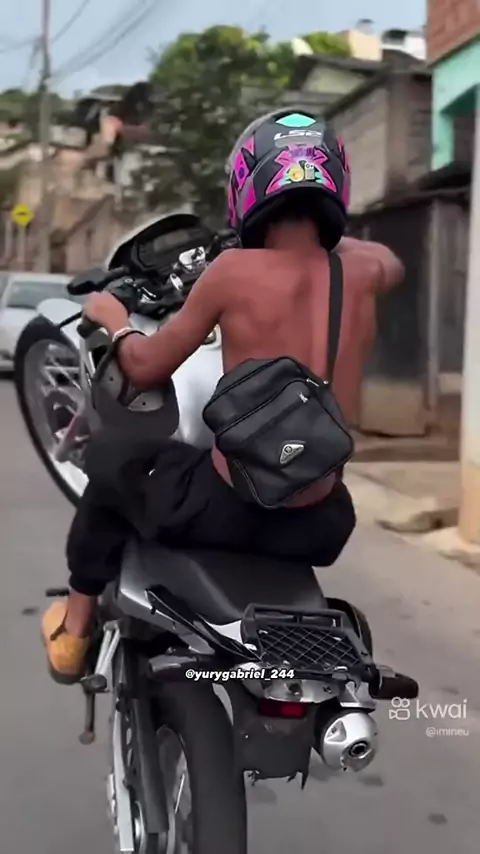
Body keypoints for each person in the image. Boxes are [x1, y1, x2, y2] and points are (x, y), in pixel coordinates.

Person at [41, 110, 404, 683]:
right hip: (323, 521)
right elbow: (389, 261)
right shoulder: (365, 272)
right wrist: (333, 237)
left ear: (246, 186)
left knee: (110, 460)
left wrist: (115, 319)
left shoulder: (232, 271)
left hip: (229, 509)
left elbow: (144, 367)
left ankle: (75, 629)